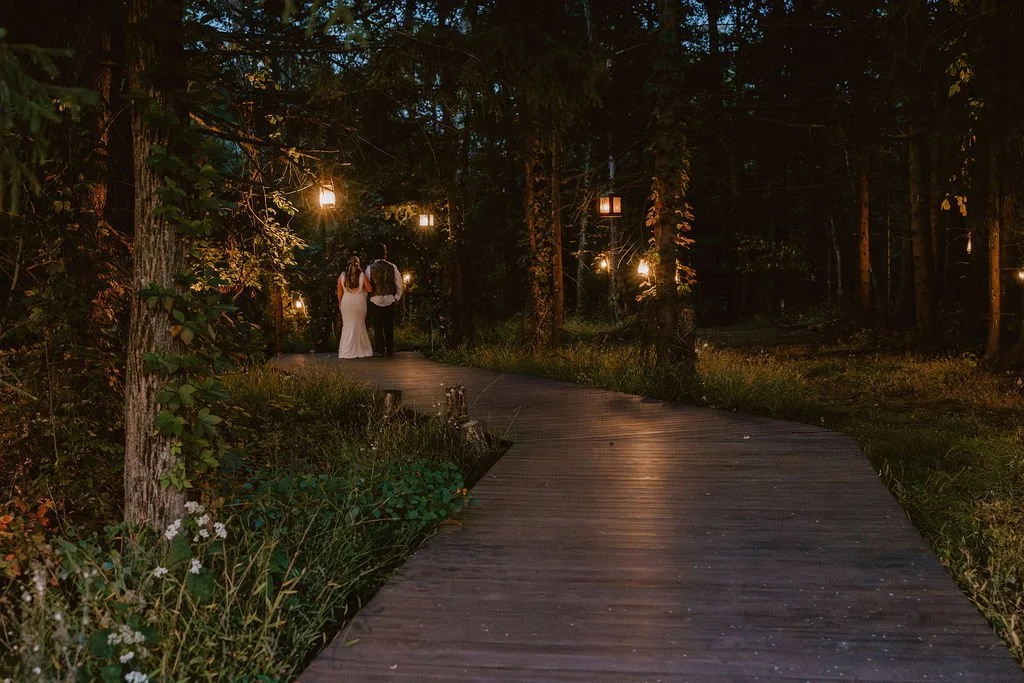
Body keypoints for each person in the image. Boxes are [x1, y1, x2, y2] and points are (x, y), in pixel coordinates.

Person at [365, 243, 403, 357]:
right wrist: (397, 297)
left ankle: (380, 349)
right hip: (389, 299)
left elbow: (367, 284)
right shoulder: (392, 266)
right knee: (389, 326)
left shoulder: (370, 268)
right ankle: (390, 349)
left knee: (377, 326)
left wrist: (369, 297)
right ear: (384, 253)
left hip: (375, 299)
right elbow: (399, 283)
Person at [337, 255, 374, 359]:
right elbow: (370, 289)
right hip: (359, 302)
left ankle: (346, 350)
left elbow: (339, 292)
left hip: (346, 302)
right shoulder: (362, 275)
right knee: (359, 325)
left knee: (347, 325)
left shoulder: (342, 276)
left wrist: (340, 303)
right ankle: (361, 349)